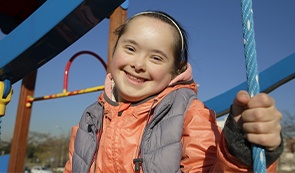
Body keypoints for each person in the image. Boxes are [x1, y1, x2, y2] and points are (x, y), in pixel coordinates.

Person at [64, 10, 283, 173]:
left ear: (176, 70)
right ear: (115, 49)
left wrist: (240, 154)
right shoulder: (92, 117)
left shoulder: (189, 114)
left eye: (156, 57)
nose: (139, 64)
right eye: (130, 48)